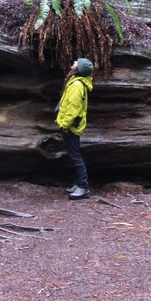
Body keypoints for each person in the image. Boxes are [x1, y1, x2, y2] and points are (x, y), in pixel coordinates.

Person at [56, 57, 94, 200]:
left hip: (71, 127)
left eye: (76, 63)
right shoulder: (75, 81)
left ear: (79, 69)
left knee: (75, 156)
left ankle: (83, 187)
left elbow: (73, 109)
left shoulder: (77, 85)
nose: (73, 63)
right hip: (70, 126)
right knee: (74, 155)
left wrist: (65, 125)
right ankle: (79, 184)